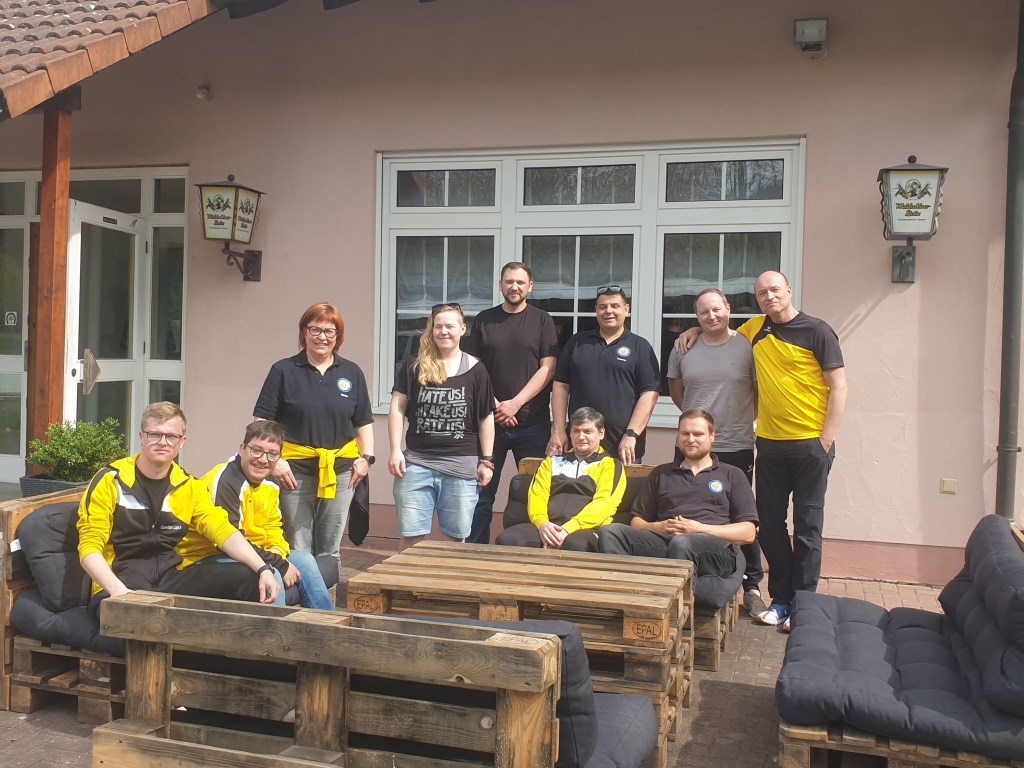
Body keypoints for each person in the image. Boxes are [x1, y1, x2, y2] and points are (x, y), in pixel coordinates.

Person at [676, 271, 847, 630]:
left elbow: (839, 386)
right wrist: (692, 330)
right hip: (769, 443)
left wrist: (826, 438)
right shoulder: (755, 329)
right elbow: (717, 329)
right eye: (762, 293)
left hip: (810, 443)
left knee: (807, 527)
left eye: (775, 290)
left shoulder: (817, 331)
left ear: (789, 290)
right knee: (769, 525)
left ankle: (804, 605)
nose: (769, 297)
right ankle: (781, 599)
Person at [77, 402, 279, 609]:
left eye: (171, 436)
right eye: (155, 434)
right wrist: (117, 590)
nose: (163, 442)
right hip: (119, 584)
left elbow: (222, 530)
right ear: (141, 437)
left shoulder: (189, 485)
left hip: (170, 581)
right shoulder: (111, 479)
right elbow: (89, 546)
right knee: (142, 616)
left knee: (247, 577)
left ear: (182, 441)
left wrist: (262, 568)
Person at [665, 288, 766, 617]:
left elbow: (759, 392)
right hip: (692, 444)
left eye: (716, 310)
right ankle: (692, 578)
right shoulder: (684, 347)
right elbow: (677, 390)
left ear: (728, 309)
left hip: (735, 444)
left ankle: (752, 585)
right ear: (696, 316)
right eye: (703, 312)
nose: (711, 316)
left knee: (741, 515)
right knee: (686, 507)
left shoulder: (747, 345)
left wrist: (739, 418)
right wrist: (698, 426)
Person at [254, 302, 375, 569]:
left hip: (341, 472)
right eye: (315, 330)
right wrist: (274, 461)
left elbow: (363, 421)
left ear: (338, 336)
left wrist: (366, 458)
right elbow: (262, 422)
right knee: (298, 545)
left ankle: (326, 594)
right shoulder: (283, 370)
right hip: (293, 472)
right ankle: (302, 595)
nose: (322, 337)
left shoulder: (352, 372)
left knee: (330, 547)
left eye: (330, 331)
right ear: (304, 332)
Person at [185, 420, 334, 610]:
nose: (263, 460)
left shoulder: (268, 483)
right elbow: (229, 541)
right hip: (207, 556)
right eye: (256, 450)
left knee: (305, 560)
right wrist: (279, 564)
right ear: (242, 449)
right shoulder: (225, 481)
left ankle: (325, 623)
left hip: (249, 551)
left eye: (272, 454)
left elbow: (273, 528)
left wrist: (278, 553)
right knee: (273, 573)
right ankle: (273, 628)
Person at [462, 262, 560, 544]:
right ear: (500, 285)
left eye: (520, 282)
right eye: (508, 281)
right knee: (481, 493)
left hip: (533, 424)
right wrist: (495, 405)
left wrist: (515, 403)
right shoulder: (485, 320)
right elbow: (474, 367)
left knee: (536, 494)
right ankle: (475, 554)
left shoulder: (542, 320)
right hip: (488, 423)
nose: (514, 287)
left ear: (530, 286)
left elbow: (548, 368)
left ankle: (530, 552)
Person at [599, 409, 757, 579]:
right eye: (685, 433)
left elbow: (748, 533)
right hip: (665, 541)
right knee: (611, 532)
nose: (690, 439)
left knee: (682, 543)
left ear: (712, 436)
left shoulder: (732, 474)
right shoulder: (661, 474)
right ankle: (626, 588)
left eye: (698, 434)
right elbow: (637, 522)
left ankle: (675, 594)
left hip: (715, 549)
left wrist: (699, 529)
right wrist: (658, 527)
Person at [388, 303, 496, 550]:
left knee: (455, 539)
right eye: (438, 326)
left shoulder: (476, 369)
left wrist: (487, 460)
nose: (443, 331)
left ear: (462, 329)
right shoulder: (415, 365)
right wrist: (395, 450)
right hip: (416, 464)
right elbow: (397, 408)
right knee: (411, 536)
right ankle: (408, 577)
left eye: (450, 326)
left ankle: (449, 578)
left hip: (461, 466)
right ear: (431, 329)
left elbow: (486, 417)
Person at [548, 285, 660, 465]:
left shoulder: (640, 347)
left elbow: (649, 394)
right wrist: (558, 430)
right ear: (596, 310)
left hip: (623, 447)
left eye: (615, 306)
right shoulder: (577, 342)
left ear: (626, 309)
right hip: (580, 445)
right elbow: (560, 385)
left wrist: (631, 434)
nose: (608, 311)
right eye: (603, 307)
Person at [495, 407, 625, 551]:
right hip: (548, 526)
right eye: (576, 431)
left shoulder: (611, 465)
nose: (581, 437)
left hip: (588, 529)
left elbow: (604, 505)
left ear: (601, 433)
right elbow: (537, 496)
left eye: (588, 431)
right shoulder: (551, 463)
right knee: (508, 539)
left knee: (573, 544)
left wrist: (568, 529)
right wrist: (543, 524)